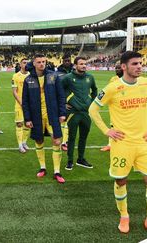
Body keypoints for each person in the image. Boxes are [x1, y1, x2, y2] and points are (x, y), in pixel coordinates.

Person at [89, 51, 147, 234]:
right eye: (135, 64)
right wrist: (107, 131)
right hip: (122, 145)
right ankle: (124, 216)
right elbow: (92, 109)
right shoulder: (112, 88)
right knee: (121, 180)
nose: (139, 66)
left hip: (144, 143)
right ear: (124, 67)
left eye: (140, 63)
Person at [22, 54, 67, 184]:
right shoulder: (28, 80)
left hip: (52, 114)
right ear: (34, 64)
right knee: (39, 140)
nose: (42, 64)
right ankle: (43, 168)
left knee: (57, 141)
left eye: (43, 61)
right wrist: (27, 118)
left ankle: (57, 171)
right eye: (39, 62)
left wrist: (62, 113)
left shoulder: (53, 76)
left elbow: (61, 96)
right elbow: (25, 101)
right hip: (36, 116)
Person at [61, 56, 97, 170]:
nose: (84, 66)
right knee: (71, 137)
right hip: (73, 112)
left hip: (86, 113)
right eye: (81, 64)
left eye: (85, 64)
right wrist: (63, 103)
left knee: (83, 137)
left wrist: (92, 102)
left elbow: (94, 90)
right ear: (75, 65)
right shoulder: (68, 78)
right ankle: (70, 160)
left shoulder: (90, 77)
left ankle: (81, 159)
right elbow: (59, 90)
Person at [100, 63, 123, 152]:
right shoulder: (113, 79)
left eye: (118, 68)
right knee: (113, 125)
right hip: (115, 106)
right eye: (116, 68)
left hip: (125, 106)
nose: (117, 70)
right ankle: (110, 145)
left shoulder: (129, 79)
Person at [11, 58, 30, 153]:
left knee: (28, 124)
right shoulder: (15, 76)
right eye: (24, 63)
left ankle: (24, 142)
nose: (26, 64)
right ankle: (19, 145)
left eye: (27, 63)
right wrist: (22, 102)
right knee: (19, 124)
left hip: (30, 105)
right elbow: (14, 92)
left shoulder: (32, 75)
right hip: (20, 104)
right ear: (20, 64)